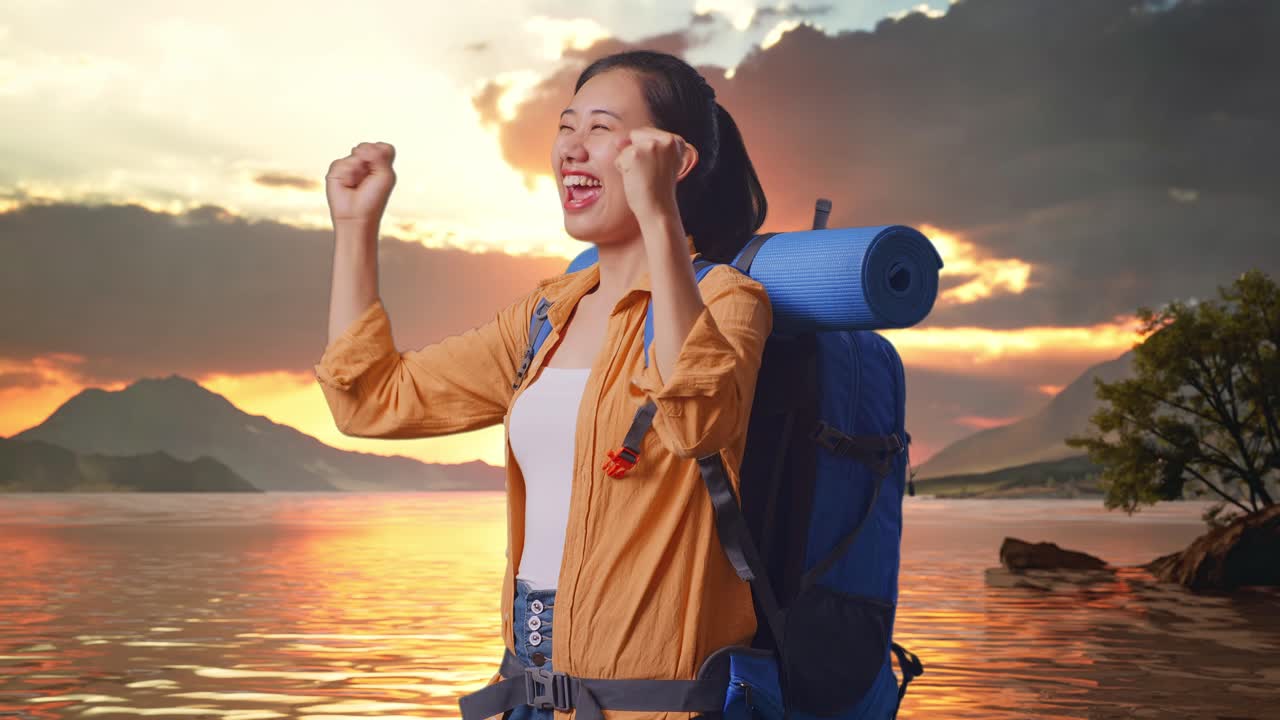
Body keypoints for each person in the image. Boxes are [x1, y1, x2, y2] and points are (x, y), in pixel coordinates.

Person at [314, 49, 772, 720]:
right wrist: (355, 226)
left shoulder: (728, 301)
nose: (572, 149)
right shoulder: (543, 317)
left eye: (601, 128)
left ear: (673, 158)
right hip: (530, 689)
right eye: (566, 126)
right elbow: (367, 402)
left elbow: (695, 421)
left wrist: (661, 216)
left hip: (655, 704)